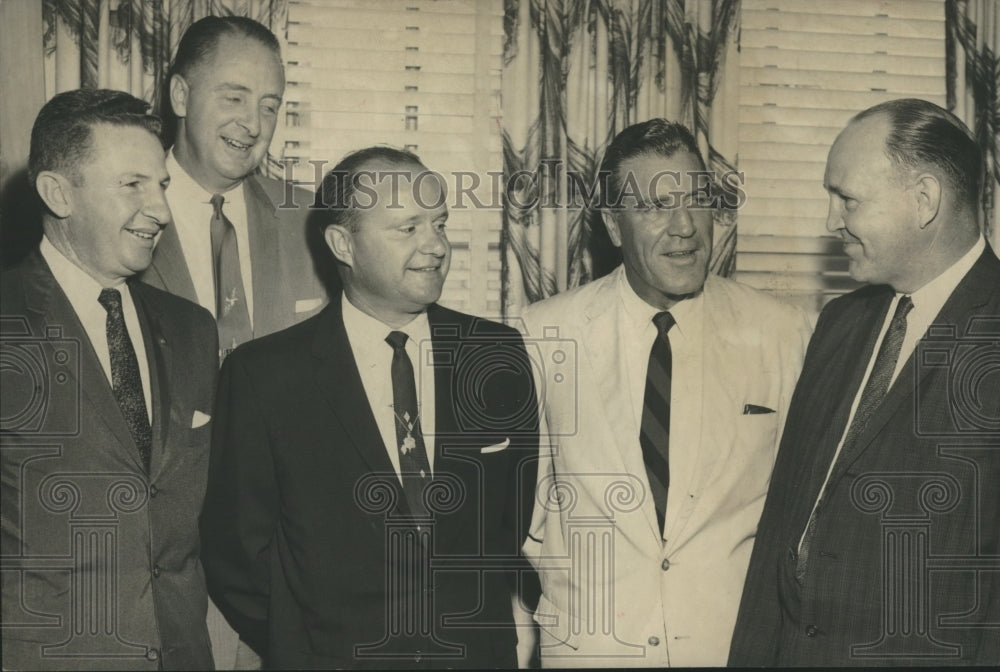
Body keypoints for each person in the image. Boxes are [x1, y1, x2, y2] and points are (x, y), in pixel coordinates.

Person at [200, 146, 540, 669]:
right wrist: (311, 642)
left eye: (440, 224)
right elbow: (236, 555)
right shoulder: (265, 375)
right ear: (343, 243)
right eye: (407, 228)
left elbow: (510, 520)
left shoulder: (496, 356)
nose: (436, 246)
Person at [519, 119, 813, 667]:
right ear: (613, 224)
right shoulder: (543, 333)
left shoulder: (781, 331)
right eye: (656, 206)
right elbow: (526, 514)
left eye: (697, 200)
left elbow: (802, 510)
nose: (684, 227)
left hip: (732, 649)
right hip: (593, 650)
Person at [728, 98, 1000, 665]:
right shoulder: (840, 323)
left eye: (847, 199)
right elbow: (784, 522)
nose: (832, 221)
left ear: (924, 200)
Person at [0, 89, 217, 670]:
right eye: (132, 185)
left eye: (163, 185)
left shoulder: (193, 331)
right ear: (58, 193)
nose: (162, 211)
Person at [139, 15, 326, 359]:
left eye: (268, 107)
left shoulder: (309, 219)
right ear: (181, 96)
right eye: (234, 98)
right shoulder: (123, 212)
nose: (254, 125)